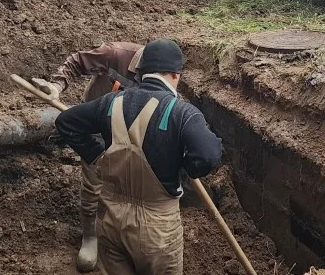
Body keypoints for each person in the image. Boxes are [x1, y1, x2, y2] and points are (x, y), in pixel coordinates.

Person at [55, 39, 222, 275]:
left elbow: (66, 122)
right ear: (177, 75)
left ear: (141, 72)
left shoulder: (110, 102)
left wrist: (98, 156)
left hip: (110, 218)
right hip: (156, 228)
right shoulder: (182, 113)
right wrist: (184, 169)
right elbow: (209, 154)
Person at [37, 42, 144, 272]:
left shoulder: (162, 73)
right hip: (96, 120)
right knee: (95, 179)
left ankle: (121, 231)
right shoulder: (115, 54)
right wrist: (57, 85)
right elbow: (77, 61)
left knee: (130, 181)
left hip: (130, 128)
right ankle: (90, 235)